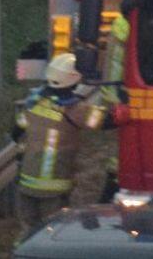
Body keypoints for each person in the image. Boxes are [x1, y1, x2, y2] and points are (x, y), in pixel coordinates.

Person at [13, 53, 102, 232]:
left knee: (28, 232)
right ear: (74, 80)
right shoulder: (75, 109)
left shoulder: (34, 102)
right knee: (51, 232)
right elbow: (102, 121)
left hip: (26, 183)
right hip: (54, 188)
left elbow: (16, 131)